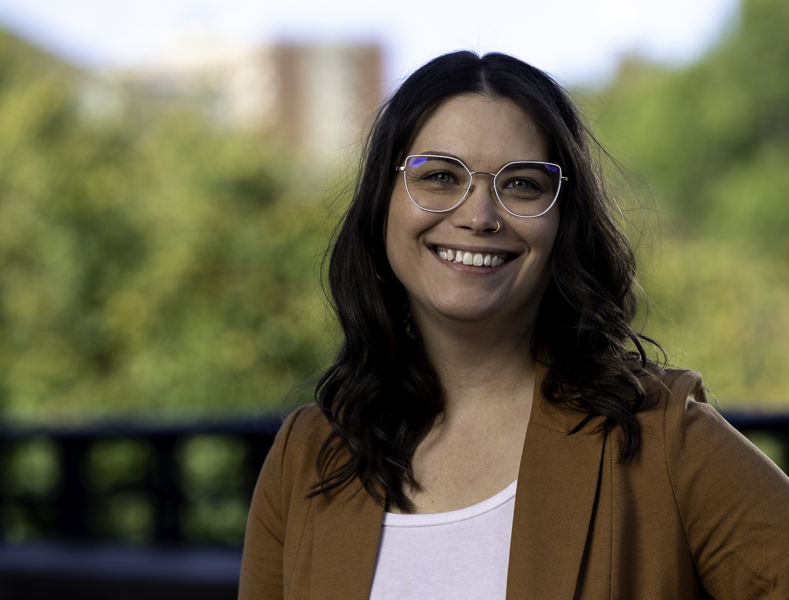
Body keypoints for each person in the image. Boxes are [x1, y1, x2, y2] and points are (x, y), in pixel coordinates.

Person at [238, 51, 789, 599]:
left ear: (564, 221)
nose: (479, 216)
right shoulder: (305, 457)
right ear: (383, 204)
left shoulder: (662, 437)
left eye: (522, 184)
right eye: (439, 176)